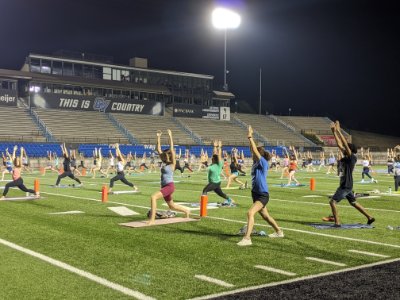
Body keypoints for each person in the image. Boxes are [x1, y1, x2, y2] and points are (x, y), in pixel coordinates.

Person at [237, 126, 284, 246]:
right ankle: (279, 232)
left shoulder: (263, 162)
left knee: (250, 213)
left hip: (263, 194)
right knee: (266, 216)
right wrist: (249, 140)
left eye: (254, 152)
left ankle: (247, 238)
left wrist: (250, 136)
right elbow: (253, 149)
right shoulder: (255, 163)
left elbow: (255, 150)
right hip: (255, 193)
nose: (252, 153)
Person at [328, 121, 374, 227]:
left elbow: (344, 144)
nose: (344, 148)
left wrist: (339, 131)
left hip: (346, 185)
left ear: (350, 150)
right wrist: (333, 132)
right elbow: (340, 145)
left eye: (346, 148)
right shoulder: (347, 156)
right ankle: (370, 217)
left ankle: (337, 222)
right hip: (346, 184)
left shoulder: (352, 157)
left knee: (332, 202)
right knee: (353, 203)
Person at [147, 130, 190, 225]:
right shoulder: (164, 163)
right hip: (164, 186)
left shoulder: (173, 164)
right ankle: (187, 211)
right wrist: (158, 137)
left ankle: (152, 220)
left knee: (153, 197)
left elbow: (172, 148)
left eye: (166, 155)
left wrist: (170, 136)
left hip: (169, 186)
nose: (164, 156)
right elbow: (158, 149)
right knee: (171, 206)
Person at [202, 140, 235, 206]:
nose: (211, 158)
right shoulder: (212, 164)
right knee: (220, 193)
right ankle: (230, 200)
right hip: (215, 182)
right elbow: (214, 154)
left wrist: (219, 147)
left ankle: (203, 205)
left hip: (215, 182)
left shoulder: (219, 164)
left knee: (204, 190)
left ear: (214, 159)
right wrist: (214, 146)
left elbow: (219, 155)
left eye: (212, 158)